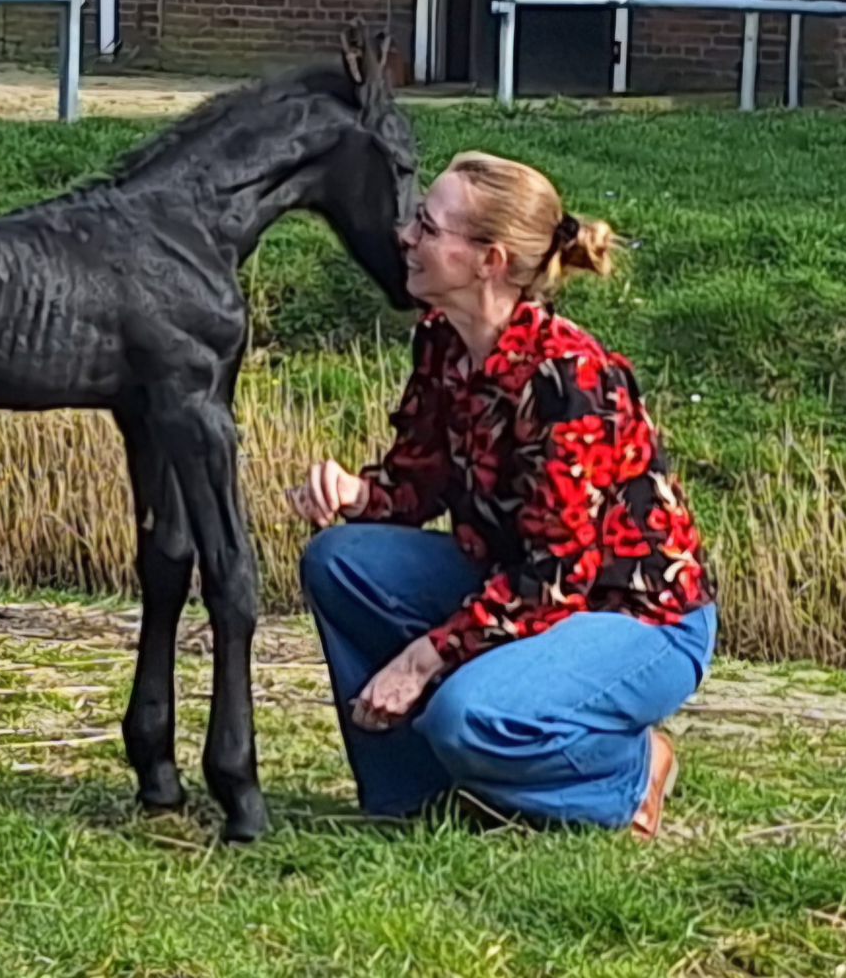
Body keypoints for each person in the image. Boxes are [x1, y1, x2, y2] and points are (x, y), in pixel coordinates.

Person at [288, 151, 717, 840]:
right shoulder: (442, 340)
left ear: (488, 261)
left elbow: (558, 577)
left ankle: (631, 773)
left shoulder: (566, 378)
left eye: (428, 228)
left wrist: (425, 656)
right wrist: (357, 494)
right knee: (340, 560)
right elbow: (416, 482)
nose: (405, 236)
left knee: (467, 717)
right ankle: (416, 799)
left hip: (636, 618)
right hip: (518, 583)